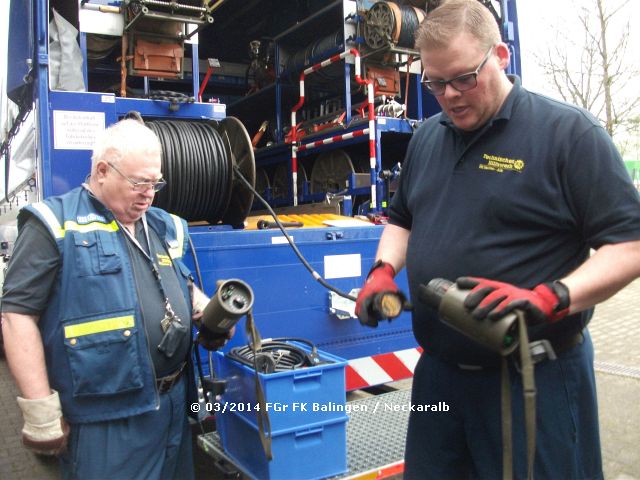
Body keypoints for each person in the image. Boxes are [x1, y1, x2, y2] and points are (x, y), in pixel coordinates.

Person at [355, 0, 640, 478]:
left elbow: (629, 245)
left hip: (534, 378)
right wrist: (383, 271)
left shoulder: (568, 135)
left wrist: (552, 297)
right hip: (439, 380)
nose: (450, 95)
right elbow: (402, 219)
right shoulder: (428, 138)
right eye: (435, 82)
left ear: (501, 55)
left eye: (464, 78)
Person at [1, 118, 230, 479]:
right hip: (105, 421)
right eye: (140, 182)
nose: (149, 193)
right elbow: (17, 316)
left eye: (156, 183)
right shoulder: (54, 223)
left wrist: (206, 310)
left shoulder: (161, 225)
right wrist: (41, 412)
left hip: (172, 405)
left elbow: (179, 282)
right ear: (103, 171)